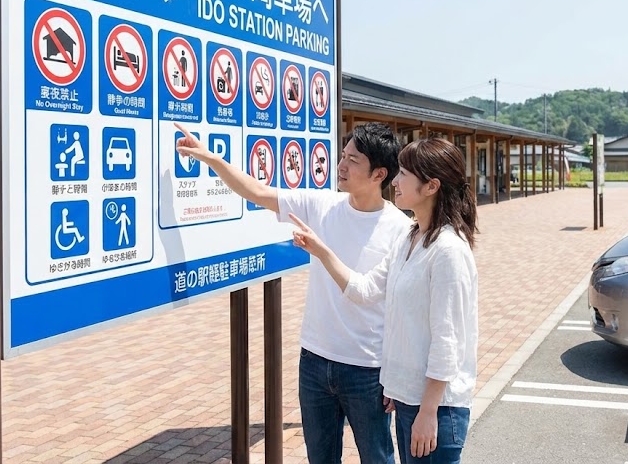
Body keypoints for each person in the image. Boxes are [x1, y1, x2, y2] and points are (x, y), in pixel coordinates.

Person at [175, 121, 409, 464]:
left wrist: (396, 374)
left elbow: (401, 309)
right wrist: (211, 159)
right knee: (320, 458)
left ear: (379, 174)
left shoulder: (401, 229)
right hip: (314, 361)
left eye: (353, 160)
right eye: (342, 155)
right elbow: (257, 192)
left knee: (377, 457)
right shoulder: (322, 205)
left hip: (368, 370)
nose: (341, 165)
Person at [289, 137, 479, 464]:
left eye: (404, 173)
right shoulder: (411, 237)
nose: (395, 180)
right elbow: (364, 290)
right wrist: (320, 250)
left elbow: (447, 341)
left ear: (431, 186)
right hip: (407, 400)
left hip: (436, 408)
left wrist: (428, 412)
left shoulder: (448, 251)